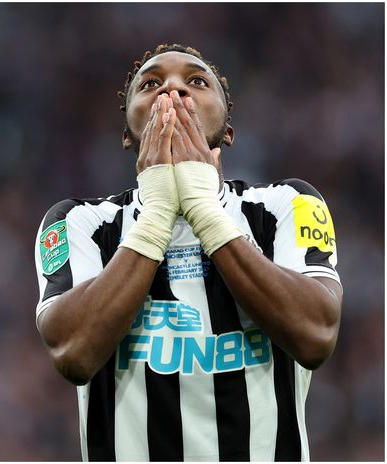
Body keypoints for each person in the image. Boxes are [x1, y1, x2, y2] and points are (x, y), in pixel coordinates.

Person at [34, 44, 342, 461]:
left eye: (195, 82)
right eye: (151, 84)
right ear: (127, 134)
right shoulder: (80, 221)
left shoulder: (287, 203)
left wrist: (203, 210)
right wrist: (159, 211)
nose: (172, 91)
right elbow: (73, 353)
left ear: (228, 131)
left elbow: (316, 335)